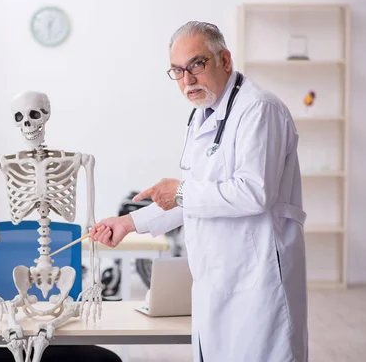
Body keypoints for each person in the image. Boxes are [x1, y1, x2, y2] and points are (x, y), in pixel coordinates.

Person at [91, 21, 308, 362]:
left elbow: (254, 192)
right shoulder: (203, 116)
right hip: (216, 277)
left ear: (224, 60)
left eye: (197, 64)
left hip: (258, 279)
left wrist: (179, 192)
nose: (187, 79)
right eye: (177, 71)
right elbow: (196, 197)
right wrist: (128, 224)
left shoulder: (259, 109)